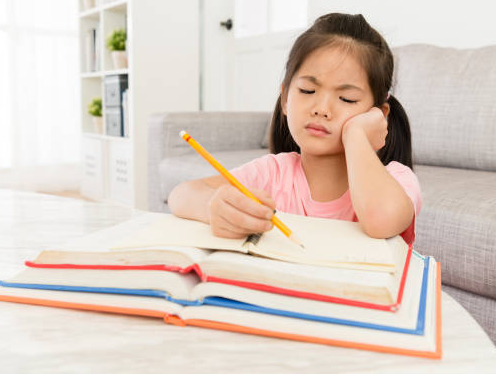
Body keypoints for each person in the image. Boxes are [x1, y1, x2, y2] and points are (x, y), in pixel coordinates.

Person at [168, 13, 421, 245]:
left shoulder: (397, 179)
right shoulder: (274, 173)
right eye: (307, 91)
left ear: (377, 115)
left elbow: (381, 220)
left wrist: (356, 136)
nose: (321, 109)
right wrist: (214, 206)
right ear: (286, 98)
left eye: (347, 99)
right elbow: (181, 195)